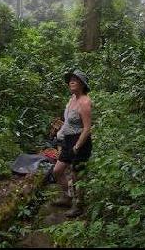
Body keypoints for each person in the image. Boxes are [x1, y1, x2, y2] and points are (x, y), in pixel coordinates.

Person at [52, 69, 92, 217]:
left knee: (76, 176)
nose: (72, 81)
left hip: (80, 142)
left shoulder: (85, 102)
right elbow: (68, 121)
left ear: (82, 84)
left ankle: (78, 206)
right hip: (68, 141)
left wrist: (77, 146)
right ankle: (67, 197)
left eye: (76, 79)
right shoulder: (71, 99)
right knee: (57, 171)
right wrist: (60, 134)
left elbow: (87, 128)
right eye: (71, 80)